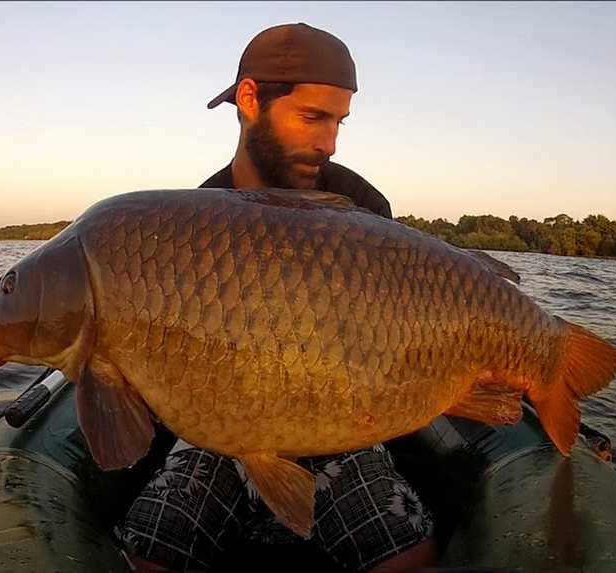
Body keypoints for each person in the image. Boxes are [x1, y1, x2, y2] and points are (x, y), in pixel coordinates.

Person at [118, 23, 438, 573]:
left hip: (338, 424)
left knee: (409, 558)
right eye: (313, 117)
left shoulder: (362, 207)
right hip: (218, 430)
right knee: (148, 555)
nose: (329, 143)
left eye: (338, 122)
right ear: (249, 99)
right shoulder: (196, 220)